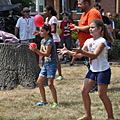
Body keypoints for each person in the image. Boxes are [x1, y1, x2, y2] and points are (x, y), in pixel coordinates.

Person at [58, 19, 114, 120]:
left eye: (92, 27)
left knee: (102, 95)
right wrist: (68, 52)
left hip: (103, 71)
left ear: (99, 29)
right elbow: (79, 55)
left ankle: (110, 117)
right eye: (90, 28)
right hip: (93, 70)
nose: (90, 29)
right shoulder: (88, 41)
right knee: (84, 91)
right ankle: (88, 115)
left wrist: (81, 52)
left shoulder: (102, 41)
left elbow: (94, 55)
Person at [29, 24, 59, 108]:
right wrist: (35, 50)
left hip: (52, 64)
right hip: (46, 64)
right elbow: (42, 53)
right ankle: (43, 101)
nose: (40, 33)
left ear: (48, 32)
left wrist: (36, 50)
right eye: (40, 31)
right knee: (39, 82)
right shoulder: (42, 41)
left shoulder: (50, 41)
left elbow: (46, 54)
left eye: (42, 31)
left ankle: (55, 102)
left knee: (50, 84)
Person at [70, 0, 102, 69]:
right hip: (87, 47)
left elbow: (91, 27)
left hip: (93, 48)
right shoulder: (84, 13)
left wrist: (78, 28)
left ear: (86, 3)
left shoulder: (93, 12)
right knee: (91, 70)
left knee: (95, 71)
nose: (78, 6)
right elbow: (84, 27)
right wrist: (76, 27)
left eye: (80, 4)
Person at [44, 5, 64, 80]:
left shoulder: (54, 18)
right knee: (47, 57)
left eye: (45, 11)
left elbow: (54, 30)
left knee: (55, 57)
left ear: (49, 11)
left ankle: (60, 74)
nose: (44, 12)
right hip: (49, 40)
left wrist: (46, 32)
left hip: (55, 40)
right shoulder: (46, 19)